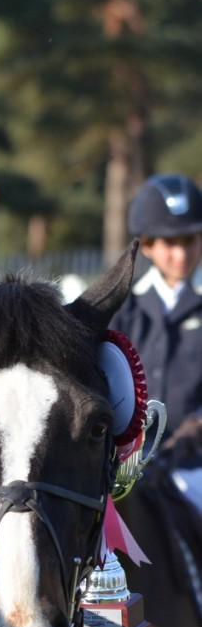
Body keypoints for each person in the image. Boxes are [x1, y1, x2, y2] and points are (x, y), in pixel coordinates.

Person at [111, 173, 202, 438]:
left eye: (189, 241)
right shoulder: (123, 305)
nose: (181, 255)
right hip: (129, 459)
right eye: (170, 243)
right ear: (148, 245)